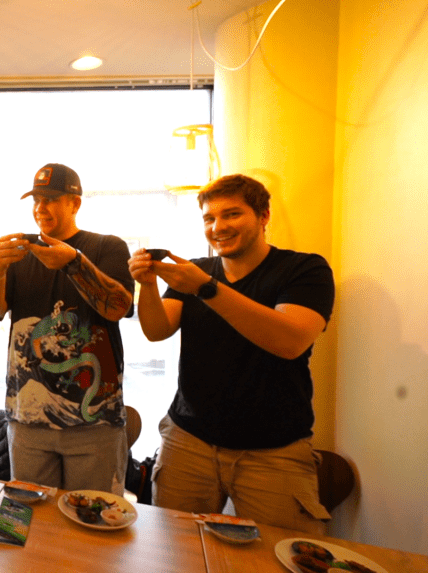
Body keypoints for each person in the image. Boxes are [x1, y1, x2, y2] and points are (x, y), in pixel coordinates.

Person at [127, 173, 335, 534]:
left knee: (276, 553)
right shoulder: (197, 271)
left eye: (232, 214)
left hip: (274, 450)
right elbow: (157, 330)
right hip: (188, 440)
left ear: (264, 215)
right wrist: (146, 284)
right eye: (209, 218)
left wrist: (206, 289)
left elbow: (289, 342)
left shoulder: (303, 270)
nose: (218, 227)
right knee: (177, 548)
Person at [0, 163, 135, 494]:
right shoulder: (21, 256)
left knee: (94, 517)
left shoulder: (107, 247)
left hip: (95, 425)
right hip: (28, 421)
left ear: (75, 203)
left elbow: (118, 307)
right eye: (36, 200)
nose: (40, 207)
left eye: (50, 199)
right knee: (28, 515)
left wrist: (73, 263)